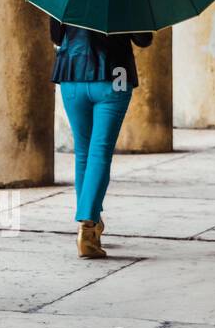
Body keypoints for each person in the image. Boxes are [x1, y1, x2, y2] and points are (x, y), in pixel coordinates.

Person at [50, 19, 153, 260]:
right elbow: (143, 38)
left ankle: (91, 220)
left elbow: (56, 36)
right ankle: (87, 227)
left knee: (84, 153)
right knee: (100, 152)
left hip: (71, 74)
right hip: (114, 75)